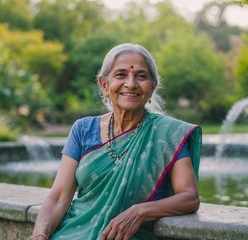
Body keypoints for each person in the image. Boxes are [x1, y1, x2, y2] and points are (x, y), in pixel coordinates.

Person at [29, 43, 202, 240]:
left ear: (152, 86)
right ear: (104, 84)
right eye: (121, 75)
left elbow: (189, 197)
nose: (131, 83)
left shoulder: (168, 134)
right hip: (72, 234)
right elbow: (59, 196)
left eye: (141, 76)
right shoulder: (83, 130)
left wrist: (140, 211)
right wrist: (40, 235)